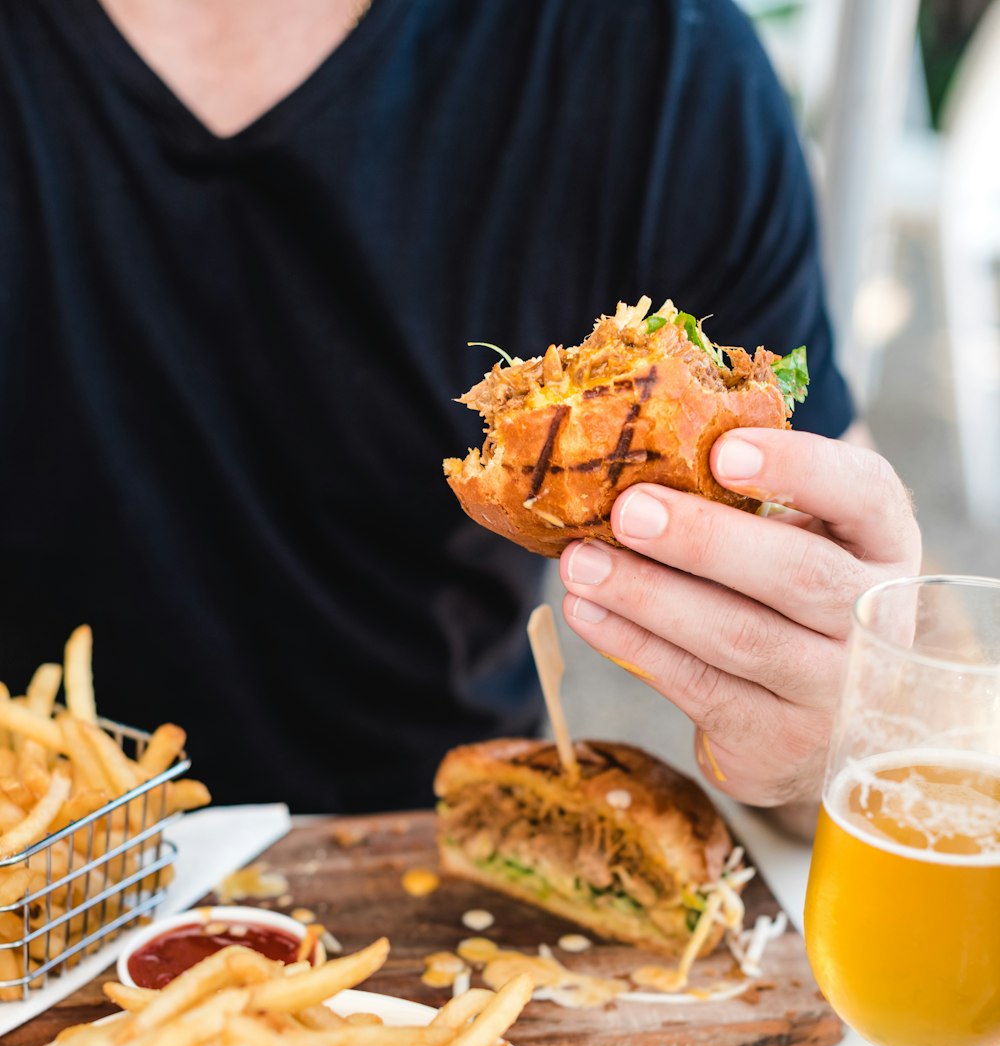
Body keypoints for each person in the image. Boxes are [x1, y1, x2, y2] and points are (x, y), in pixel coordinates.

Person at [1, 0, 920, 814]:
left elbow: (875, 670)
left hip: (447, 862)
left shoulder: (653, 54)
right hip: (32, 868)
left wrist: (845, 723)